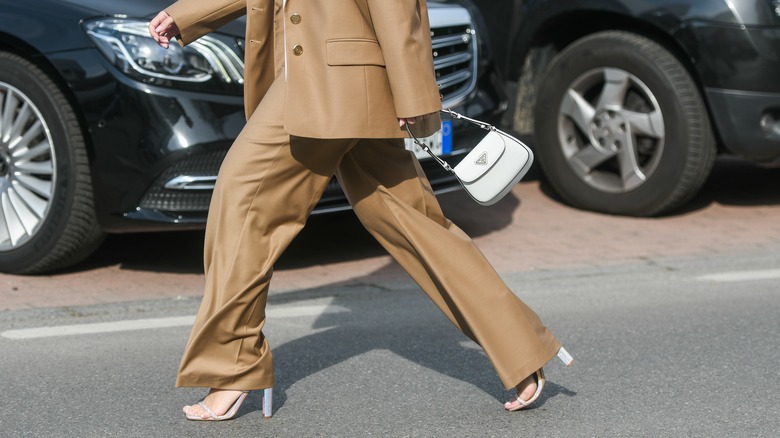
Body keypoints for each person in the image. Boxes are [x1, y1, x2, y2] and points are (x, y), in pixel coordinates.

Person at [148, 0, 571, 422]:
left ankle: (233, 366)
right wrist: (190, 13)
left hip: (331, 76)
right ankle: (521, 350)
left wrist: (413, 92)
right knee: (414, 221)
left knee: (243, 200)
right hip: (332, 73)